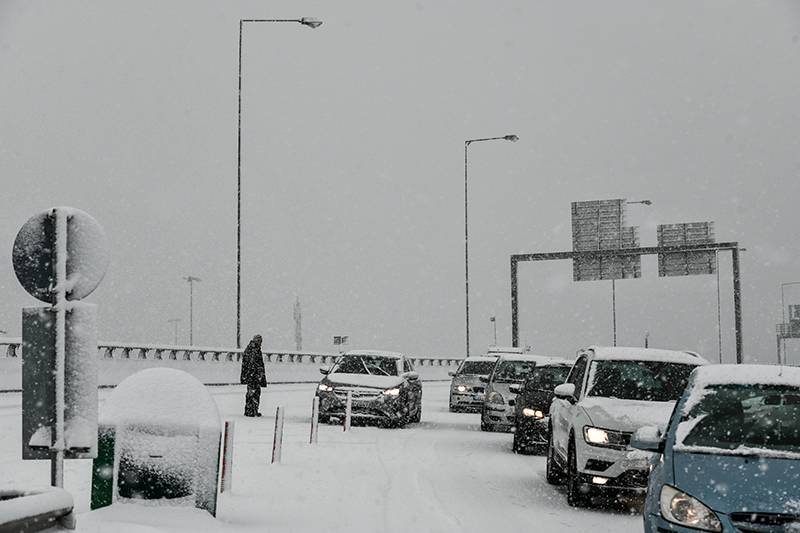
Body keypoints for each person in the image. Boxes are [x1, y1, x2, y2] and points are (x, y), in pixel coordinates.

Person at [240, 334, 266, 417]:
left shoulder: (252, 349)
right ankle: (251, 411)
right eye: (259, 341)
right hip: (253, 376)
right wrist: (256, 375)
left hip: (253, 375)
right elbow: (252, 364)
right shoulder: (253, 350)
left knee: (253, 393)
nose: (260, 343)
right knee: (253, 393)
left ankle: (252, 410)